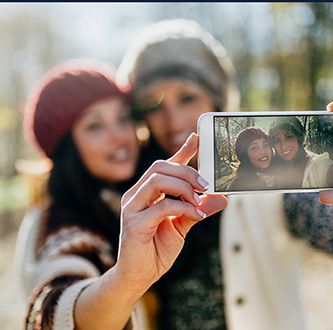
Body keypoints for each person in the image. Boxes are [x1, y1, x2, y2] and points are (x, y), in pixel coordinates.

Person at [117, 19, 333, 330]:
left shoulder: (273, 185)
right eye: (154, 104)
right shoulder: (132, 196)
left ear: (217, 100)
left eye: (187, 97)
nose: (172, 119)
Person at [19, 60, 226, 329]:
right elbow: (53, 306)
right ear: (67, 148)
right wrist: (125, 282)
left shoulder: (138, 194)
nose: (119, 137)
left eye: (123, 118)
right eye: (95, 126)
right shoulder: (61, 224)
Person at [268, 116, 333, 189]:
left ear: (299, 138)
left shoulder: (318, 165)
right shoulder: (274, 167)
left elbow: (326, 170)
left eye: (288, 137)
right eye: (277, 140)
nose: (283, 146)